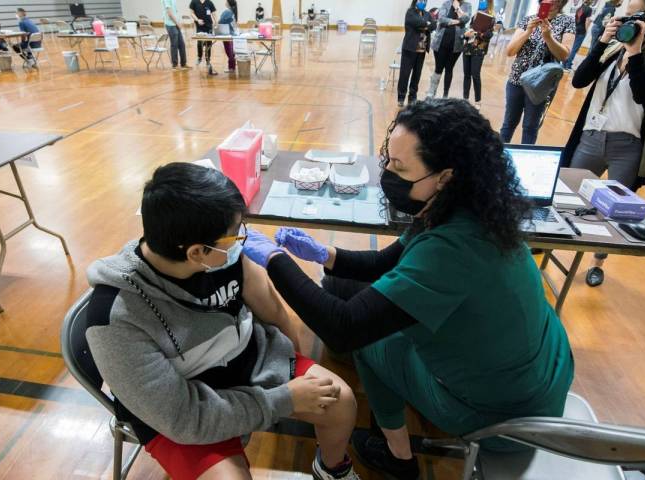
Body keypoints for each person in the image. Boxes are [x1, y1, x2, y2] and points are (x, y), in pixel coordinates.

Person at [243, 99, 575, 480]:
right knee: (364, 300)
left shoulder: (451, 249)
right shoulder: (466, 209)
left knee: (368, 342)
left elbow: (343, 327)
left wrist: (274, 259)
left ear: (446, 176)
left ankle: (397, 456)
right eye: (387, 159)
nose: (386, 172)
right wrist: (323, 253)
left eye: (399, 167)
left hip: (503, 420)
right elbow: (387, 260)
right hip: (540, 379)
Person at [85, 163, 360, 480]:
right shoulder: (114, 319)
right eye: (233, 236)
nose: (240, 241)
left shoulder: (220, 254)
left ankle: (331, 469)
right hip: (183, 404)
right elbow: (185, 419)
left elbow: (274, 312)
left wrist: (294, 366)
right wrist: (284, 399)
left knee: (342, 401)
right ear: (197, 253)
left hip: (248, 362)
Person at [562, 0, 645, 287]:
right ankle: (551, 244)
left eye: (637, 16)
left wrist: (636, 53)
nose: (628, 21)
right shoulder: (613, 48)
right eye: (626, 15)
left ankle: (596, 261)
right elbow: (579, 81)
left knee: (613, 211)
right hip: (591, 137)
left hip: (628, 145)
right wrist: (602, 42)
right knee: (566, 197)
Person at [500, 0, 575, 144]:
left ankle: (527, 161)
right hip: (517, 80)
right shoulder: (528, 20)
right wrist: (528, 31)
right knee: (508, 124)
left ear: (560, 2)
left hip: (542, 85)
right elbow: (510, 51)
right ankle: (498, 159)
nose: (550, 2)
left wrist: (548, 37)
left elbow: (564, 55)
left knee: (530, 127)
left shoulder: (567, 22)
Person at [425, 0, 468, 99]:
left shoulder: (467, 5)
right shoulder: (446, 3)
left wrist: (458, 8)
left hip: (456, 45)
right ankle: (432, 92)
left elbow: (466, 18)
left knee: (449, 69)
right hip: (441, 43)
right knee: (438, 68)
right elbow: (441, 18)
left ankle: (445, 95)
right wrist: (457, 21)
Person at [398, 0, 436, 107]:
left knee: (417, 75)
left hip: (421, 49)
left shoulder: (427, 14)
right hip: (410, 48)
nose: (423, 2)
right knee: (405, 74)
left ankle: (412, 97)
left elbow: (434, 25)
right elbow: (418, 23)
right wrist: (426, 24)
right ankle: (401, 97)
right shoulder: (410, 12)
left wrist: (427, 25)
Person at [462, 0, 496, 109]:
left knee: (475, 75)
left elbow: (489, 35)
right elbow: (470, 29)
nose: (482, 2)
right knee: (466, 74)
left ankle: (478, 101)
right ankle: (465, 99)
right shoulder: (475, 15)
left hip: (479, 49)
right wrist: (467, 34)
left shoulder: (491, 18)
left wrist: (478, 33)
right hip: (468, 47)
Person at [563, 0, 594, 70]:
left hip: (575, 29)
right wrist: (586, 31)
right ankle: (567, 65)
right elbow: (587, 21)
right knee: (574, 49)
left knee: (571, 48)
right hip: (581, 31)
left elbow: (576, 19)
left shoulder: (579, 8)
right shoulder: (589, 9)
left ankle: (565, 63)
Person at [189, 0, 217, 75]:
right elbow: (191, 13)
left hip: (208, 26)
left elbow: (214, 13)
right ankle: (199, 57)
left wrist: (216, 22)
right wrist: (197, 20)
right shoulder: (194, 2)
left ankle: (208, 60)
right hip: (199, 26)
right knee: (199, 42)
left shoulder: (209, 2)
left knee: (209, 43)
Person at [162, 0, 191, 71]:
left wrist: (178, 22)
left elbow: (175, 12)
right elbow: (169, 13)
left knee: (182, 44)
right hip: (170, 24)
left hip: (175, 24)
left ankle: (183, 64)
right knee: (174, 44)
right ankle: (174, 65)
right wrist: (177, 23)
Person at [218, 0, 239, 73]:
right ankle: (232, 67)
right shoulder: (232, 12)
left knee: (229, 51)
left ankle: (231, 68)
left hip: (227, 34)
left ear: (228, 3)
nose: (225, 2)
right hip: (231, 34)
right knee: (231, 52)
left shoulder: (227, 12)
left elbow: (220, 22)